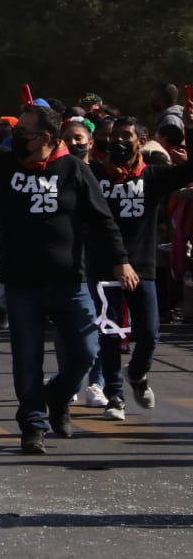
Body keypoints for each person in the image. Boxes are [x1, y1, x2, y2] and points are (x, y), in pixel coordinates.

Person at [0, 65, 137, 454]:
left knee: (86, 352)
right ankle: (33, 423)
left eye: (24, 133)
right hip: (21, 285)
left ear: (45, 139)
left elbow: (102, 220)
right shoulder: (4, 163)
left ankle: (57, 397)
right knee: (26, 358)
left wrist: (121, 260)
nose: (16, 137)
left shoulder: (74, 169)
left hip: (69, 283)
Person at [86, 115, 193, 421]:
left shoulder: (153, 176)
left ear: (140, 141)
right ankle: (115, 396)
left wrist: (190, 130)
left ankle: (137, 374)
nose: (118, 142)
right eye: (114, 136)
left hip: (142, 265)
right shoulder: (94, 174)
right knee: (109, 332)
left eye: (126, 136)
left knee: (149, 332)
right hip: (104, 266)